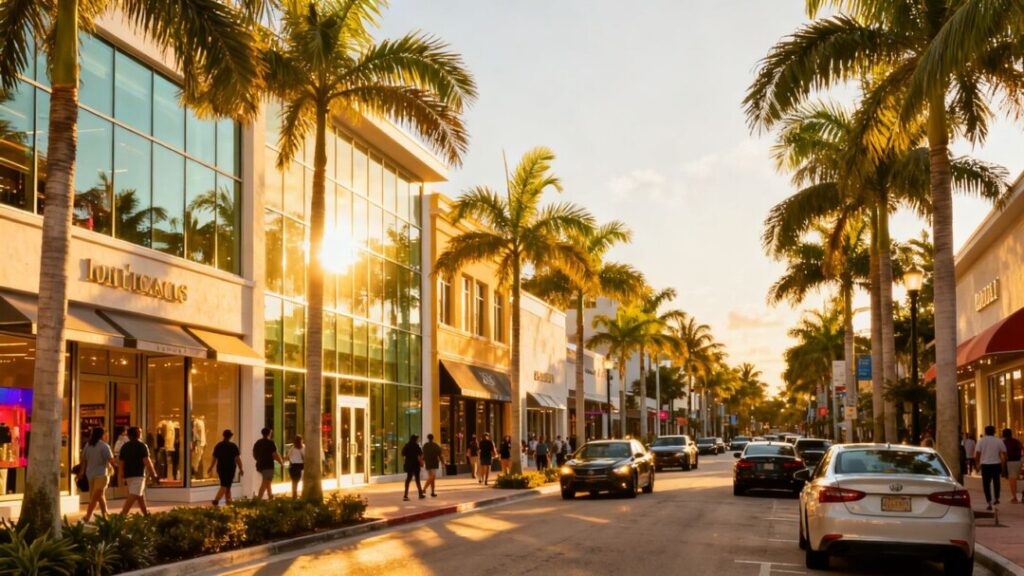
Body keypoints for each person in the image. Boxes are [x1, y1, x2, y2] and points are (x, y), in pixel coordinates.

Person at [118, 426, 158, 516]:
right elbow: (147, 461)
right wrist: (153, 474)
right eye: (140, 432)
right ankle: (122, 515)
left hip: (128, 475)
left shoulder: (124, 447)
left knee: (140, 496)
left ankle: (146, 514)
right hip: (139, 475)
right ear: (138, 434)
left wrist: (120, 476)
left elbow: (121, 463)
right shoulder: (142, 446)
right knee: (134, 494)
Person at [79, 427, 113, 523]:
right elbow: (111, 460)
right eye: (106, 434)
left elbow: (83, 460)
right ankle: (103, 514)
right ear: (102, 435)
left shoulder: (87, 445)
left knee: (95, 496)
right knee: (98, 496)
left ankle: (89, 516)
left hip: (93, 475)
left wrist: (82, 472)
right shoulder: (105, 446)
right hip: (101, 474)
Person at [208, 429, 242, 506]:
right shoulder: (233, 446)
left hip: (220, 468)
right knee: (225, 485)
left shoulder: (218, 445)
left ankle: (228, 501)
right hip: (230, 468)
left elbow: (214, 458)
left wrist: (211, 467)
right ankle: (217, 500)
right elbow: (237, 459)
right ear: (230, 436)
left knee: (227, 485)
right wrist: (241, 468)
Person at [976, 425, 1007, 510]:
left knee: (986, 484)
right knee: (996, 482)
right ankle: (996, 498)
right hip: (996, 464)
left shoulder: (981, 441)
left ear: (985, 432)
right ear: (994, 432)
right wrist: (1003, 464)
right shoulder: (998, 441)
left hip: (985, 465)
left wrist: (977, 464)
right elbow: (1004, 453)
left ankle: (989, 501)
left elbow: (977, 453)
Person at [253, 427, 285, 500]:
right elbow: (275, 454)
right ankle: (258, 499)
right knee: (265, 482)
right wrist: (281, 462)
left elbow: (254, 454)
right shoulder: (271, 443)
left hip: (260, 465)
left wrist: (259, 459)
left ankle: (270, 496)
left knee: (268, 482)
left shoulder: (258, 442)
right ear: (269, 433)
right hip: (268, 465)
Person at [401, 434, 425, 501]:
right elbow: (421, 454)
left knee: (408, 479)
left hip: (409, 464)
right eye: (417, 439)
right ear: (415, 440)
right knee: (417, 480)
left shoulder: (407, 446)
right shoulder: (416, 446)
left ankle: (405, 495)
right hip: (415, 465)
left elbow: (402, 454)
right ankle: (420, 494)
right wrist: (421, 461)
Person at [1003, 429, 1022, 503]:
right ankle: (1015, 496)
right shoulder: (1016, 441)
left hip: (1011, 462)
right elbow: (1021, 448)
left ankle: (1015, 497)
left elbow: (1003, 453)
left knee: (1012, 481)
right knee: (1015, 479)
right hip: (1018, 461)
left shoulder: (1004, 442)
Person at [287, 435, 305, 499]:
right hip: (301, 466)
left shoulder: (292, 449)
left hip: (293, 466)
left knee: (294, 482)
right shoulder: (304, 448)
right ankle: (300, 494)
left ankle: (294, 494)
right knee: (302, 481)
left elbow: (288, 457)